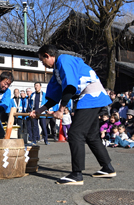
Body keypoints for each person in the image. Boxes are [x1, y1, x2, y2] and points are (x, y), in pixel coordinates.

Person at [30, 45, 115, 185]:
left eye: (42, 60)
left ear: (47, 55)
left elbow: (70, 87)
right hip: (91, 97)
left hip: (91, 96)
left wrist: (61, 109)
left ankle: (76, 175)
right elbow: (54, 96)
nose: (42, 63)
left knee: (75, 134)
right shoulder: (58, 69)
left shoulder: (63, 60)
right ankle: (107, 167)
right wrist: (40, 109)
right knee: (91, 135)